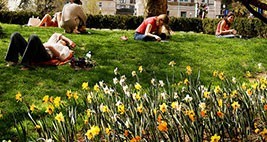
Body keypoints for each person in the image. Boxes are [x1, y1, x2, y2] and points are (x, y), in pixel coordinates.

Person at [5, 32, 76, 70]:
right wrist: (69, 41)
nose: (61, 40)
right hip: (34, 49)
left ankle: (26, 64)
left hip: (45, 54)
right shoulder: (53, 40)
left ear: (65, 44)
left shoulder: (65, 48)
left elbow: (62, 57)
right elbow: (56, 34)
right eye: (60, 39)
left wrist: (50, 47)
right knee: (16, 35)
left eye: (63, 40)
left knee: (34, 37)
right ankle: (12, 60)